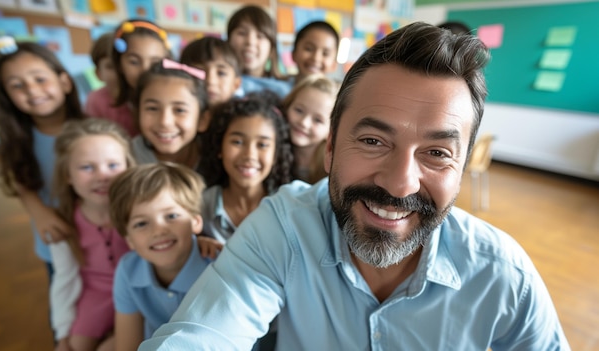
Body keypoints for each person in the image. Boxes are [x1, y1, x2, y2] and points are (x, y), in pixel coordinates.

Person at [139, 22, 570, 350]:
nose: (401, 183)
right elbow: (202, 334)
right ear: (329, 149)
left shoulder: (503, 277)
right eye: (372, 141)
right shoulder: (283, 229)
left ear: (461, 169)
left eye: (437, 153)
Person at [0, 37, 85, 284]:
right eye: (17, 85)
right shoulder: (17, 139)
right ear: (7, 96)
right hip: (56, 240)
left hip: (102, 236)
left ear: (64, 82)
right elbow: (19, 177)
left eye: (40, 79)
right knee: (64, 311)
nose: (31, 90)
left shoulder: (92, 129)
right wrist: (38, 211)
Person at [109, 162, 220, 351]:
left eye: (171, 216)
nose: (159, 230)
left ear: (195, 221)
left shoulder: (219, 270)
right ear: (129, 240)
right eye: (142, 223)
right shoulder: (128, 270)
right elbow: (127, 345)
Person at [50, 118, 134, 351]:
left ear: (128, 167)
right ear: (67, 175)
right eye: (87, 167)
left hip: (137, 293)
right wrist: (62, 333)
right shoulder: (64, 222)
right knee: (75, 346)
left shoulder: (139, 212)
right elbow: (64, 279)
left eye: (113, 165)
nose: (102, 176)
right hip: (95, 295)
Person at [197, 91, 292, 244]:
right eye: (237, 142)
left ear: (275, 155)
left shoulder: (289, 210)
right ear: (219, 148)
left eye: (262, 145)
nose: (249, 155)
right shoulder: (201, 207)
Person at [131, 59, 209, 167]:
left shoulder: (216, 158)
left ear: (202, 120)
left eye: (180, 110)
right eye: (153, 108)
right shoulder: (126, 157)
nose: (165, 122)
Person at [109, 19, 172, 137]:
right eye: (134, 62)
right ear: (119, 64)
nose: (145, 71)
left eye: (155, 62)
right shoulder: (102, 104)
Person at [281, 74, 337, 183]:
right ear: (287, 106)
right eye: (299, 110)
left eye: (317, 120)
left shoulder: (332, 169)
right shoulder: (273, 153)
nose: (304, 123)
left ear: (330, 131)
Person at [226, 5, 291, 98]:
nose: (250, 42)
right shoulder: (218, 83)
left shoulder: (285, 91)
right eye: (242, 33)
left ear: (271, 49)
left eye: (260, 36)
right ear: (228, 41)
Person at [179, 36, 242, 109]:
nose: (210, 81)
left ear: (236, 84)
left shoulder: (244, 119)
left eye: (221, 73)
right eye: (199, 71)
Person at [83, 33, 127, 135]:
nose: (119, 72)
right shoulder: (95, 100)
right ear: (99, 74)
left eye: (123, 65)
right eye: (110, 66)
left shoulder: (141, 96)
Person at [289, 21, 339, 86]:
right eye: (309, 49)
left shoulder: (337, 95)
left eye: (325, 53)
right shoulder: (275, 91)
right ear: (294, 53)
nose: (316, 58)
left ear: (334, 64)